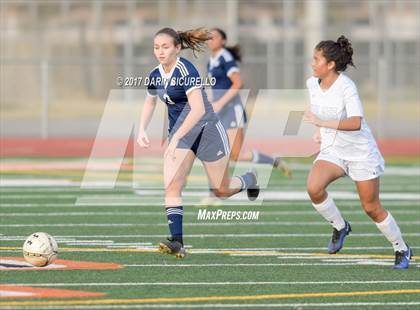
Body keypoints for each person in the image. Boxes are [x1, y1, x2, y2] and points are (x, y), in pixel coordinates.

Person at [137, 27, 259, 258]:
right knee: (172, 185)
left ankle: (248, 179)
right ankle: (177, 242)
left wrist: (175, 138)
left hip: (207, 132)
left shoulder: (187, 70)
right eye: (156, 47)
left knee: (221, 190)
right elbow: (150, 102)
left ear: (177, 47)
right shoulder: (155, 74)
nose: (160, 52)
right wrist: (142, 128)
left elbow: (199, 109)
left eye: (165, 47)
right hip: (182, 137)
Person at [303, 35, 412, 269]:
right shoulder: (312, 83)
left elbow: (355, 123)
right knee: (314, 188)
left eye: (316, 59)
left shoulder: (346, 87)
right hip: (333, 150)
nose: (312, 64)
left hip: (360, 153)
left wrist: (322, 123)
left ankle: (401, 248)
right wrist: (318, 131)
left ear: (330, 64)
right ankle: (340, 226)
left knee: (371, 208)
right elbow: (315, 109)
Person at [206, 28, 291, 177]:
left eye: (214, 37)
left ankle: (273, 161)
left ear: (223, 41)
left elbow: (238, 83)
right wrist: (212, 102)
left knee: (236, 155)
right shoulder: (211, 61)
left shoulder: (225, 58)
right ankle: (216, 190)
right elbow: (217, 88)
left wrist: (220, 103)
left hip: (232, 110)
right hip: (221, 110)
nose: (210, 40)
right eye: (208, 37)